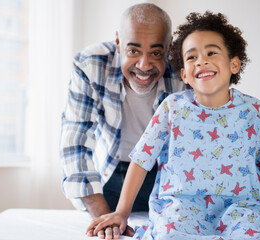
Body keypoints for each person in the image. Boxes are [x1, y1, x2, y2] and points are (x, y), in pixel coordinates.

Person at [86, 11, 260, 239]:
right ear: (184, 74)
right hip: (182, 207)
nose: (201, 60)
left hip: (241, 208)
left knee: (254, 235)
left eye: (211, 52)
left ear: (234, 64)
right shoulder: (172, 108)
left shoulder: (255, 111)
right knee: (168, 234)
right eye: (192, 57)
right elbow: (141, 159)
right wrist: (122, 212)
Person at [59, 3, 185, 239]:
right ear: (118, 43)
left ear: (168, 48)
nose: (144, 65)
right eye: (133, 51)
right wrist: (105, 220)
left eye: (156, 53)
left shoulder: (184, 71)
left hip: (164, 178)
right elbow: (75, 144)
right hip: (110, 176)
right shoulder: (91, 64)